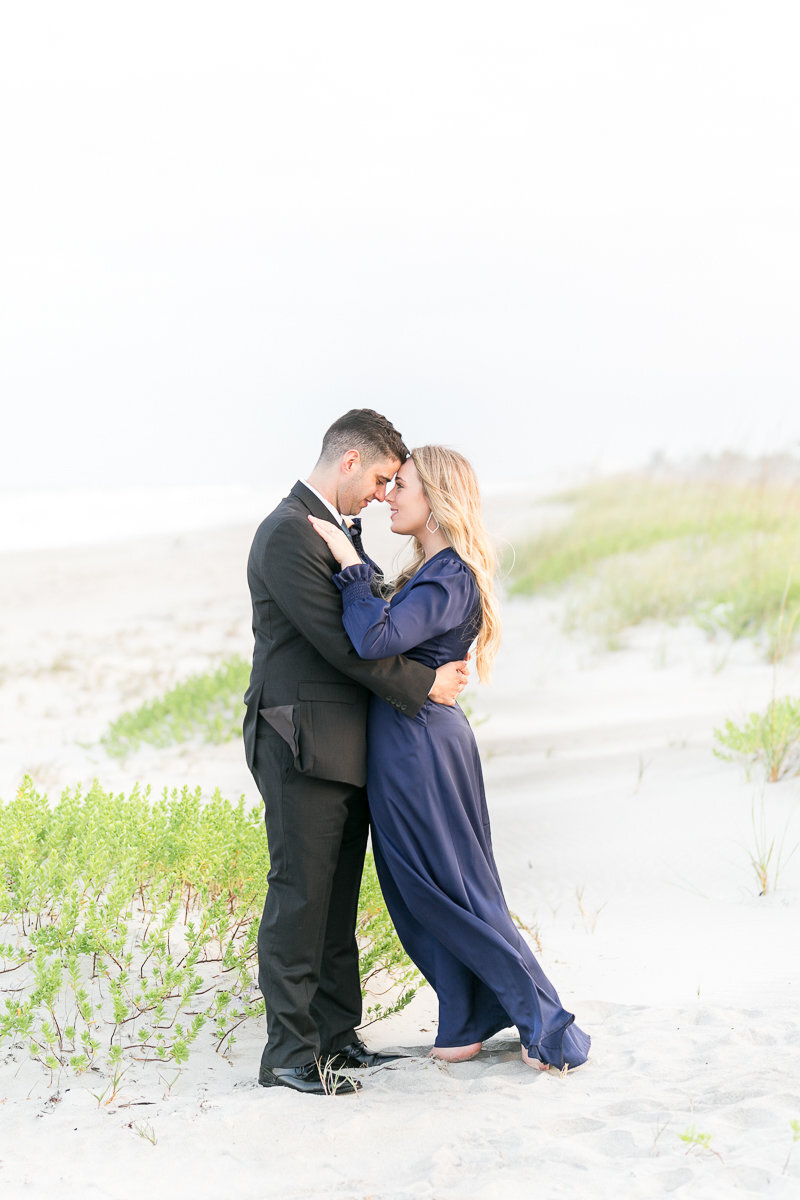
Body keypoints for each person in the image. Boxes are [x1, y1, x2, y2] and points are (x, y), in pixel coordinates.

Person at [309, 445, 590, 1072]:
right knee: (418, 890)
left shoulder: (449, 574)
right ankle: (464, 1020)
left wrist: (351, 562)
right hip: (412, 738)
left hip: (419, 745)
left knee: (447, 890)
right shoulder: (431, 571)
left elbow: (375, 638)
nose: (388, 494)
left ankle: (547, 1023)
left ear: (434, 497)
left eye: (400, 484)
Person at [244, 411, 469, 1095]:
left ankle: (336, 1039)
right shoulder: (287, 534)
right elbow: (343, 646)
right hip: (298, 738)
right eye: (377, 478)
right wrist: (424, 684)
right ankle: (288, 1054)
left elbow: (372, 621)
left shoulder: (337, 533)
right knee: (300, 896)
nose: (380, 492)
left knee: (337, 901)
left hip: (345, 746)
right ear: (347, 461)